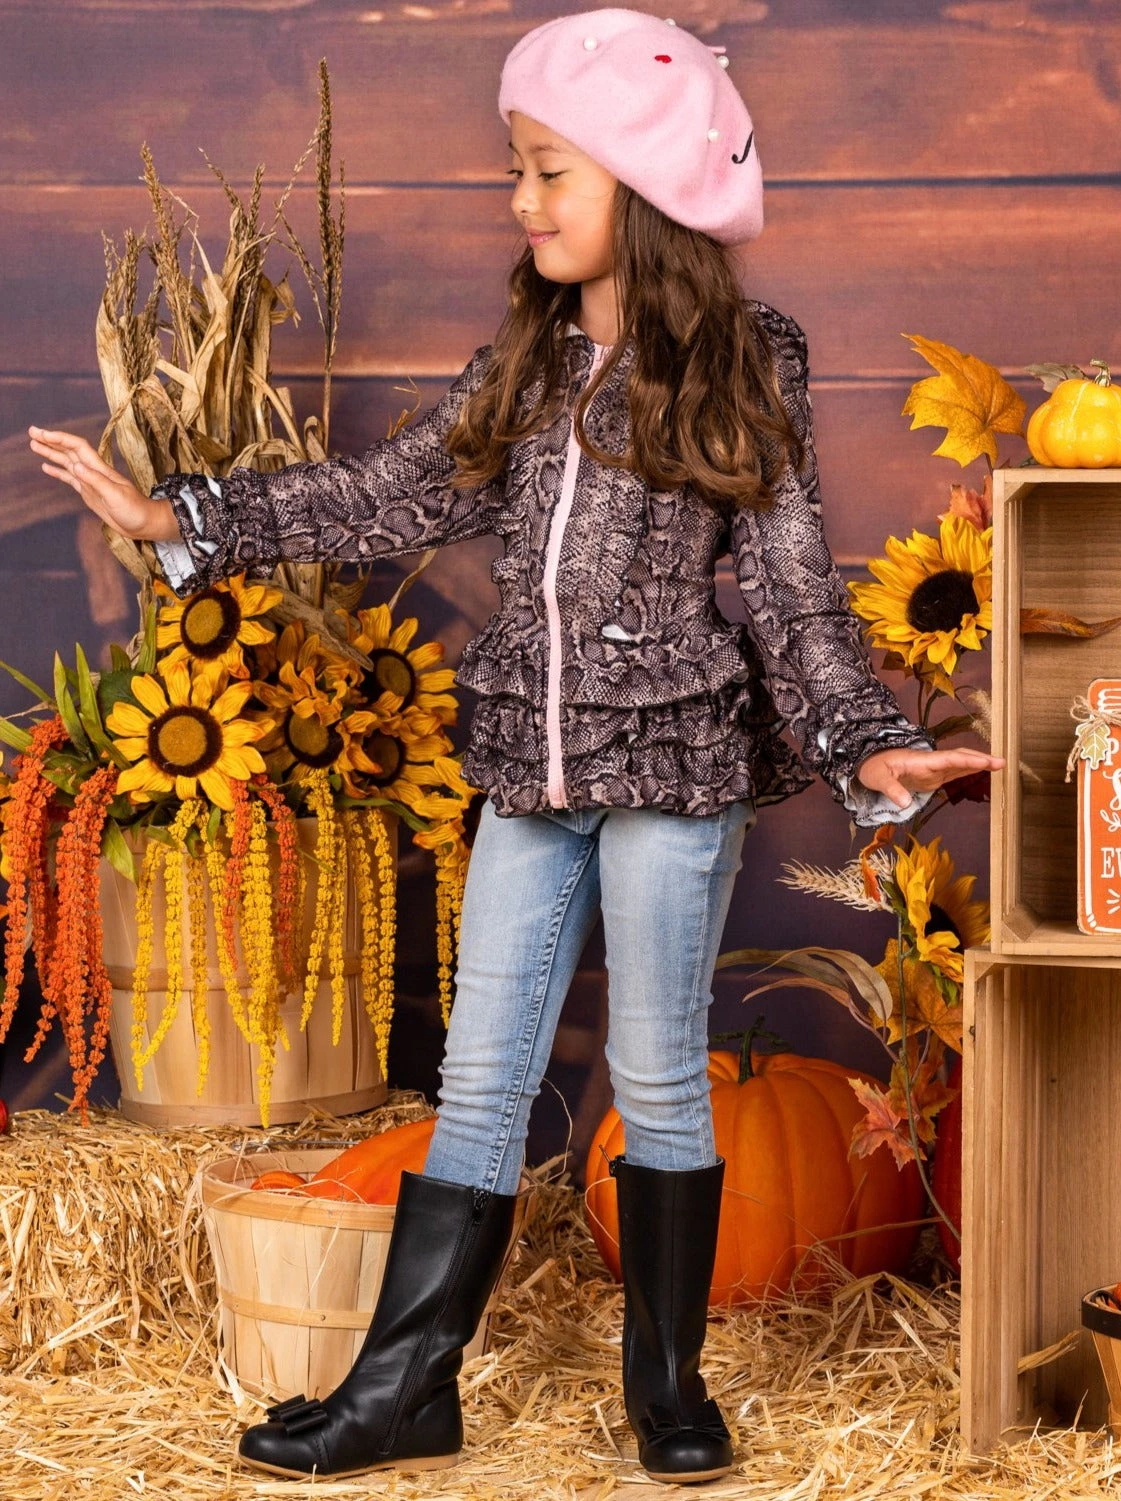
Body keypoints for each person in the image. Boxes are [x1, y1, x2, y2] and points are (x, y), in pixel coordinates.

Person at [28, 7, 1002, 1484]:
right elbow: (391, 495)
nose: (523, 200)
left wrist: (867, 742)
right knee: (480, 1079)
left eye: (551, 170)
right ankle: (404, 1391)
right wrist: (186, 519)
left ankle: (666, 1387)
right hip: (528, 775)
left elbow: (794, 587)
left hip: (671, 769)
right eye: (517, 170)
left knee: (660, 1077)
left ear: (647, 184)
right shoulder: (530, 360)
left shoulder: (748, 363)